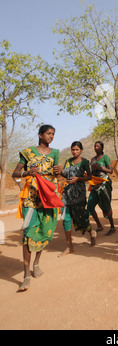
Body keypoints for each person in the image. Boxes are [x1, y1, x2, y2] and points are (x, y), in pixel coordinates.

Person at [12, 125, 60, 292]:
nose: (51, 136)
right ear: (40, 135)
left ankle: (37, 263)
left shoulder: (55, 152)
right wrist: (27, 173)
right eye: (48, 133)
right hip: (31, 198)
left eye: (53, 134)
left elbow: (56, 173)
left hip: (48, 197)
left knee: (45, 230)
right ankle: (26, 275)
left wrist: (59, 171)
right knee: (27, 233)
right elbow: (15, 173)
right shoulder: (28, 152)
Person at [58, 141, 96, 256]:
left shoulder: (84, 162)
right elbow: (65, 174)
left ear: (81, 150)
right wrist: (60, 172)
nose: (74, 152)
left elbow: (89, 176)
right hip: (67, 193)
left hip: (79, 194)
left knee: (80, 217)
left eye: (77, 150)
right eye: (73, 150)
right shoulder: (68, 161)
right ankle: (69, 246)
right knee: (66, 218)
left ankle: (92, 232)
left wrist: (78, 179)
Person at [87, 141, 116, 235]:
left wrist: (100, 168)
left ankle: (112, 227)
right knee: (90, 206)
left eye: (98, 146)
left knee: (106, 205)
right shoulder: (92, 159)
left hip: (104, 184)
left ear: (102, 148)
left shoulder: (105, 157)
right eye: (95, 146)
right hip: (94, 185)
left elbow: (110, 170)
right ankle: (99, 225)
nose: (96, 147)